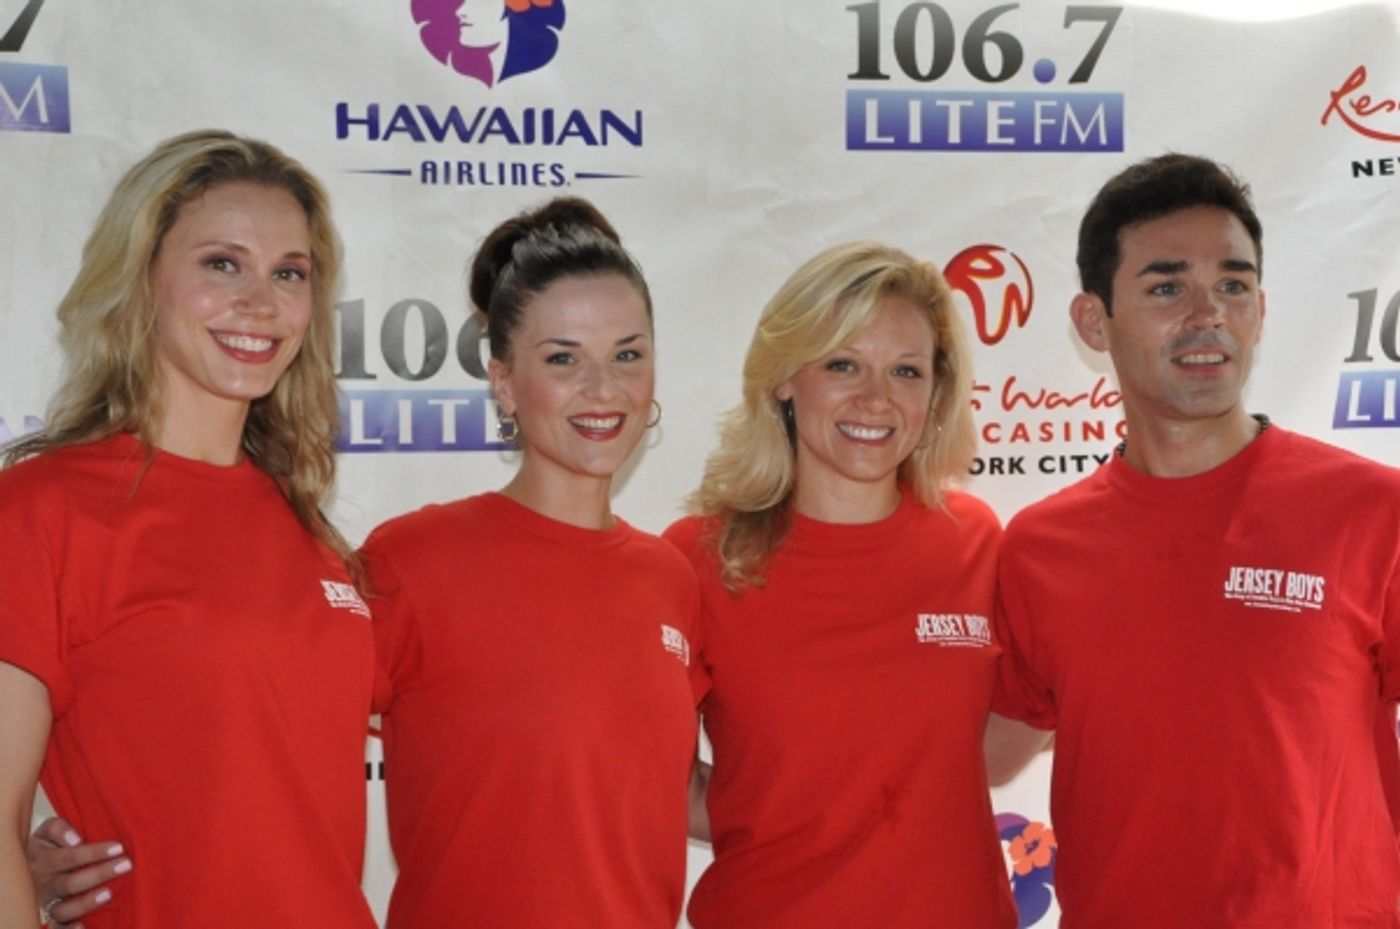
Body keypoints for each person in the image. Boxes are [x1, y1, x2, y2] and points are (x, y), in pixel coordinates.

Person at [989, 153, 1400, 927]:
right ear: (1092, 320)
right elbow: (985, 751)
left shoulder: (1375, 511)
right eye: (1167, 287)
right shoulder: (1039, 547)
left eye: (1233, 285)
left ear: (1261, 309)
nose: (1208, 314)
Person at [0, 130, 378, 928]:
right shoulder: (41, 511)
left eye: (289, 273)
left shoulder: (312, 532)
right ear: (141, 280)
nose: (263, 302)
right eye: (221, 264)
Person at [362, 197, 700, 928]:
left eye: (627, 354)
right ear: (505, 384)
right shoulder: (413, 561)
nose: (603, 389)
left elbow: (673, 795)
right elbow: (261, 740)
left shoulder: (673, 578)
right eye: (562, 360)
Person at [665, 242, 1020, 928]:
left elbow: (988, 750)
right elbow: (660, 780)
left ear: (935, 390)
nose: (876, 399)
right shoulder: (697, 558)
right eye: (842, 364)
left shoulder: (978, 541)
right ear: (783, 380)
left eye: (906, 370)